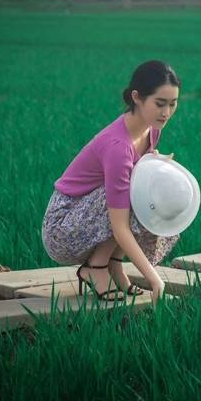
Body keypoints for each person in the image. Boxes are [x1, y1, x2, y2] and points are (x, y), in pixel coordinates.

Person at [41, 60, 181, 306]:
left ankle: (113, 266)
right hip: (63, 226)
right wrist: (155, 279)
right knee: (131, 190)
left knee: (142, 185)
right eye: (160, 104)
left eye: (173, 104)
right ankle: (95, 268)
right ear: (137, 97)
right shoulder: (118, 148)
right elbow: (119, 226)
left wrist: (155, 163)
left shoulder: (151, 130)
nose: (166, 112)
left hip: (89, 215)